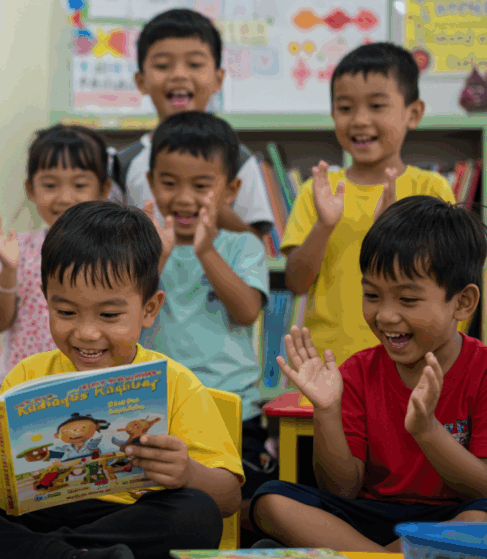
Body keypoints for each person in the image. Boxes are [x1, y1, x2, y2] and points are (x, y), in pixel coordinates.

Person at [0, 201, 243, 559]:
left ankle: (21, 551)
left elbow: (228, 499)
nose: (86, 333)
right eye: (65, 312)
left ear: (149, 309)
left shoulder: (175, 382)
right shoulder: (26, 373)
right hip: (29, 516)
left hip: (118, 518)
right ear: (47, 302)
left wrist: (188, 472)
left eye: (109, 314)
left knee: (197, 512)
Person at [251, 196, 487, 551]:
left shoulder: (482, 369)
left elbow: (482, 488)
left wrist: (428, 432)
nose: (385, 316)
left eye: (407, 300)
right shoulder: (358, 371)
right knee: (270, 500)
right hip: (372, 517)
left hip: (453, 517)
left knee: (480, 519)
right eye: (372, 295)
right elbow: (340, 489)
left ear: (463, 303)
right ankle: (386, 557)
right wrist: (327, 412)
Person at [281, 42, 456, 365]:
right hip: (330, 360)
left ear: (413, 113)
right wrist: (324, 226)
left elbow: (447, 280)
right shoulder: (317, 191)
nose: (359, 120)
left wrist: (390, 232)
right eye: (345, 108)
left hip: (408, 356)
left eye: (377, 106)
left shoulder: (431, 188)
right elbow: (296, 282)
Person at [138, 111, 273, 500]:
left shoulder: (242, 245)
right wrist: (157, 256)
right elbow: (130, 312)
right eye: (168, 183)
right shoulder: (143, 251)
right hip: (157, 407)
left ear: (230, 191)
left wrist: (206, 250)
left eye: (201, 185)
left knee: (237, 499)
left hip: (232, 407)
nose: (183, 198)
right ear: (150, 183)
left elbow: (247, 311)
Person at [114, 9, 273, 237]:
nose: (179, 74)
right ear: (141, 81)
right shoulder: (123, 163)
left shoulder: (238, 159)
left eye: (195, 64)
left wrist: (212, 205)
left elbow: (254, 241)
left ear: (218, 79)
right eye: (162, 65)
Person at [0, 124, 120, 390]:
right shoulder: (19, 247)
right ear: (31, 189)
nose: (64, 197)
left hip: (88, 387)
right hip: (23, 386)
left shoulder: (115, 252)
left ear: (104, 189)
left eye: (80, 184)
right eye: (50, 184)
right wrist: (9, 270)